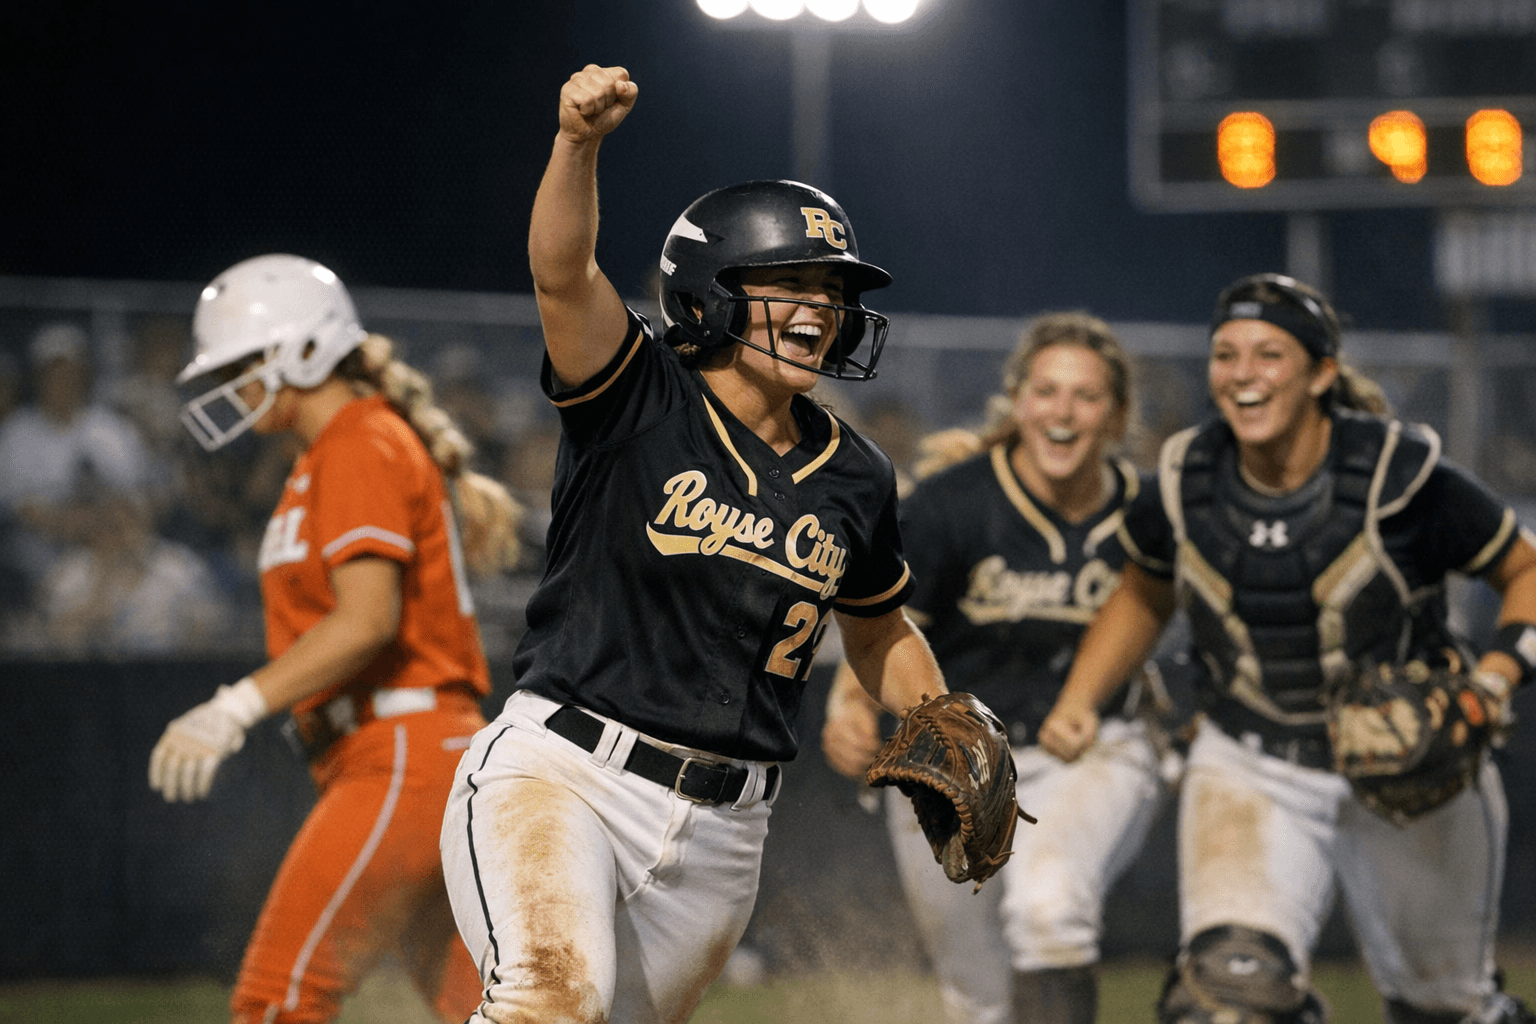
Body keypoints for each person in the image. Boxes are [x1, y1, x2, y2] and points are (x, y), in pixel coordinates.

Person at [438, 64, 952, 1024]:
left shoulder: (855, 473)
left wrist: (943, 717)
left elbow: (879, 629)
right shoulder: (638, 393)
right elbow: (561, 274)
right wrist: (577, 144)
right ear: (711, 295)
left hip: (727, 832)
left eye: (833, 288)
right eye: (789, 282)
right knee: (547, 1003)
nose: (820, 307)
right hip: (566, 774)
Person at [1039, 273, 1536, 1024]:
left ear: (1321, 373)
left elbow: (1525, 569)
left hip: (1414, 768)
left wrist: (1491, 683)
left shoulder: (1396, 476)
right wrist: (1080, 698)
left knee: (1443, 1010)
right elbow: (1144, 592)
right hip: (1254, 761)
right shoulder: (1186, 478)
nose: (1243, 374)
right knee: (1224, 1004)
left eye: (1269, 355)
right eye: (1226, 354)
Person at [146, 253, 523, 1024]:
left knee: (277, 1000)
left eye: (243, 364)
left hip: (401, 753)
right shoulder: (333, 450)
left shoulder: (358, 440)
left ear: (303, 350)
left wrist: (233, 707)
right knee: (482, 1011)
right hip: (404, 752)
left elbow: (366, 621)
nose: (234, 386)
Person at [823, 312, 1177, 1024]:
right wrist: (848, 705)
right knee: (976, 994)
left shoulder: (1147, 510)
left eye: (1085, 396)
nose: (1062, 412)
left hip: (1089, 750)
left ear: (1117, 416)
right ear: (1017, 402)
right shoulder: (954, 503)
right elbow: (884, 628)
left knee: (1051, 911)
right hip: (952, 765)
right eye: (1046, 391)